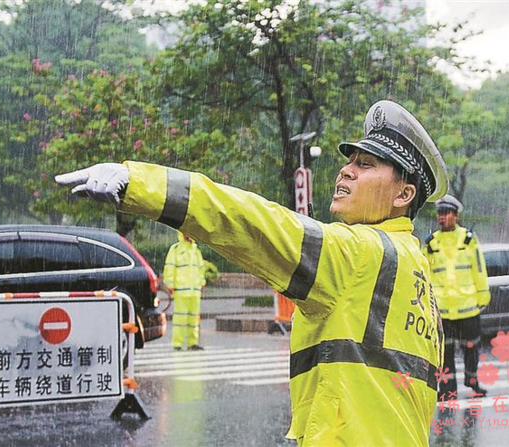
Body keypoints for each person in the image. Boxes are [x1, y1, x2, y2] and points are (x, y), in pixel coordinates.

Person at [56, 100, 448, 446]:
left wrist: (142, 184)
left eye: (365, 165)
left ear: (403, 195)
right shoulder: (415, 270)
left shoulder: (361, 253)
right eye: (349, 161)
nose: (345, 172)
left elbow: (253, 223)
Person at [423, 194, 490, 400]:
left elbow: (479, 269)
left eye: (446, 213)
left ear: (455, 215)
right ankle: (447, 389)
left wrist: (483, 297)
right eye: (439, 214)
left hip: (468, 307)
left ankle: (472, 380)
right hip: (442, 311)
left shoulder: (468, 240)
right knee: (445, 352)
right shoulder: (431, 243)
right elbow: (424, 275)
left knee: (471, 347)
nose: (441, 218)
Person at [164, 231, 206, 351]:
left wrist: (202, 282)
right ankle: (177, 343)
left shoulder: (195, 250)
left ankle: (193, 342)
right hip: (181, 290)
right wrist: (170, 284)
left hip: (194, 290)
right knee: (180, 318)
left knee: (194, 318)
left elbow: (200, 267)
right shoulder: (175, 249)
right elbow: (170, 267)